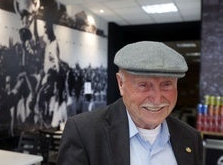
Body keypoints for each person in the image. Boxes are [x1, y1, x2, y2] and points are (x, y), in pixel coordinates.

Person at [57, 41, 203, 165]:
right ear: (121, 83)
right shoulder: (84, 133)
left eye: (166, 84)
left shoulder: (191, 138)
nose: (157, 99)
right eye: (144, 85)